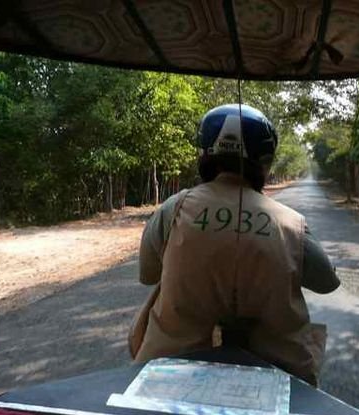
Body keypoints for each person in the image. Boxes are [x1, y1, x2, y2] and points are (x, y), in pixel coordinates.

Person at [128, 104, 340, 385]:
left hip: (170, 366)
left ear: (204, 155)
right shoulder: (291, 222)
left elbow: (149, 275)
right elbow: (327, 282)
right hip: (278, 372)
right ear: (264, 162)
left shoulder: (174, 208)